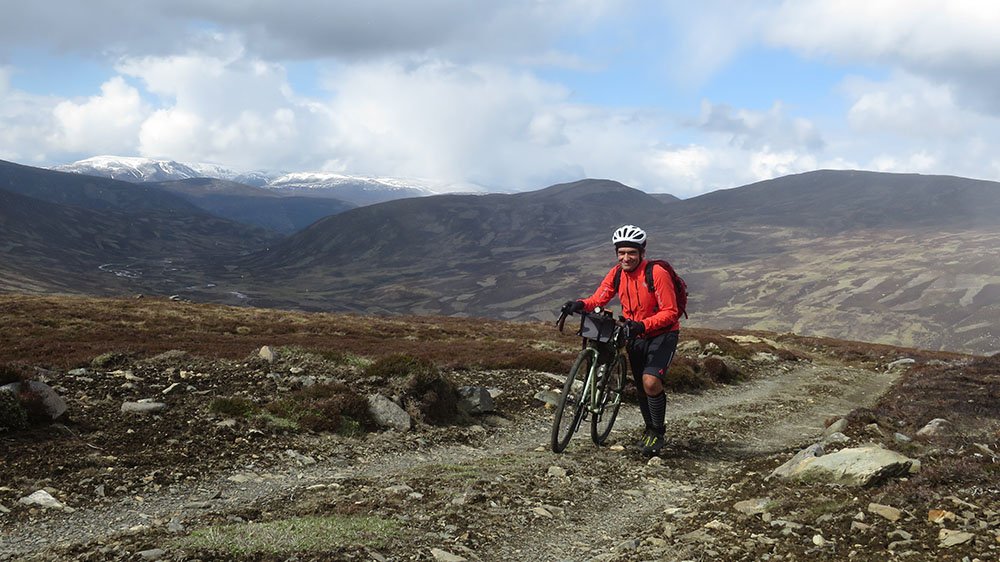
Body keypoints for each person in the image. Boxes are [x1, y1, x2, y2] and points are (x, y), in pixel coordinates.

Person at [561, 224, 681, 456]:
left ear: (642, 253)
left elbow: (670, 311)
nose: (626, 258)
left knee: (650, 382)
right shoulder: (617, 273)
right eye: (622, 252)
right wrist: (579, 304)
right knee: (641, 386)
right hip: (634, 333)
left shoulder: (657, 273)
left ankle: (657, 431)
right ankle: (649, 428)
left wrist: (643, 324)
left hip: (662, 334)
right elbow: (599, 298)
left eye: (632, 253)